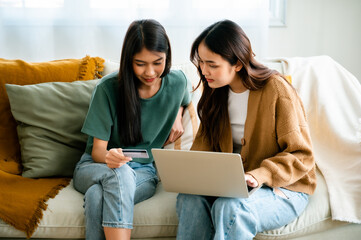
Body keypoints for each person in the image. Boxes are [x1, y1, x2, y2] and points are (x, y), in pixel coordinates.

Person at [176, 19, 317, 240]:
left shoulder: (277, 90)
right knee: (188, 197)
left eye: (212, 64)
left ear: (238, 64)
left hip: (284, 187)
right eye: (201, 62)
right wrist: (189, 173)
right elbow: (203, 149)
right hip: (234, 185)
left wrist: (258, 175)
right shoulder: (215, 91)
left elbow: (302, 155)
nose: (204, 71)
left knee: (231, 208)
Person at [73, 19, 191, 240]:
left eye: (158, 62)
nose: (150, 72)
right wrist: (110, 157)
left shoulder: (178, 82)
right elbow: (97, 151)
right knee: (121, 173)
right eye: (140, 63)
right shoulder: (107, 90)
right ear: (128, 60)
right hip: (94, 165)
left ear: (167, 57)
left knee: (97, 197)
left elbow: (187, 94)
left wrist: (178, 114)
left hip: (144, 171)